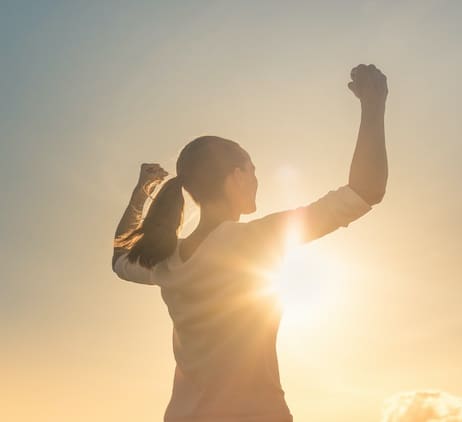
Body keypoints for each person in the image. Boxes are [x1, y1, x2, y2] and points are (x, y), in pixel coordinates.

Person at [111, 64, 388, 422]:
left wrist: (140, 195)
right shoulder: (252, 242)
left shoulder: (165, 261)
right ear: (236, 177)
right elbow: (365, 191)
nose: (257, 178)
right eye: (252, 168)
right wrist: (374, 103)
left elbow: (119, 258)